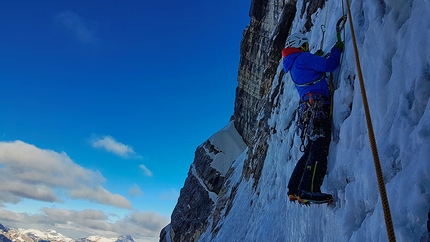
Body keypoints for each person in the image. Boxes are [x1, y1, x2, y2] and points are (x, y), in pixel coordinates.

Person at [282, 32, 344, 203]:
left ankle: (294, 188)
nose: (307, 49)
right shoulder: (302, 58)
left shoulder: (293, 63)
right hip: (317, 107)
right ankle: (309, 189)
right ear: (300, 45)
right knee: (319, 146)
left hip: (308, 108)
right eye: (305, 46)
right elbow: (330, 65)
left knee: (311, 148)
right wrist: (336, 50)